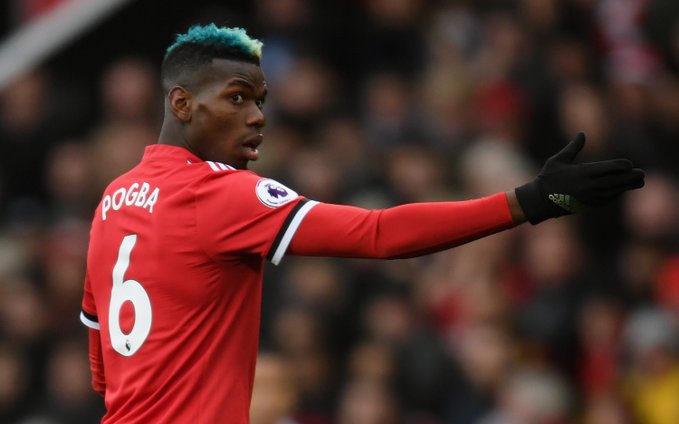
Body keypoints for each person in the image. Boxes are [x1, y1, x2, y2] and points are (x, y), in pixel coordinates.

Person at [79, 24, 645, 423]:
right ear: (182, 104)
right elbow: (379, 234)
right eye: (237, 98)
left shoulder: (112, 202)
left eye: (261, 100)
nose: (257, 117)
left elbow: (102, 362)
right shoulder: (219, 193)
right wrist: (528, 202)